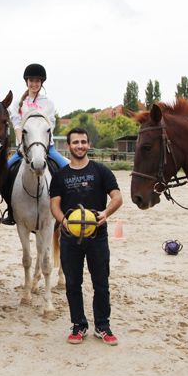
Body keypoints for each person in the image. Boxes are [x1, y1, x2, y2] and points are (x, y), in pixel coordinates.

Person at [50, 128, 122, 346]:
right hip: (70, 238)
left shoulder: (101, 171)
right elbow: (54, 205)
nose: (79, 146)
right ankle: (78, 325)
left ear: (88, 144)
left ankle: (102, 325)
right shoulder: (60, 176)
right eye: (75, 142)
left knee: (101, 282)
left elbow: (117, 197)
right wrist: (64, 222)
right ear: (68, 146)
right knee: (73, 283)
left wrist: (106, 213)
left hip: (97, 236)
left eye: (83, 142)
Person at [2, 63, 69, 225]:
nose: (34, 83)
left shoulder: (48, 103)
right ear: (27, 81)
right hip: (25, 148)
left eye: (38, 80)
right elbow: (17, 125)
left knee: (67, 169)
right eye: (31, 80)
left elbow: (49, 126)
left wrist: (42, 145)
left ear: (42, 82)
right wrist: (20, 145)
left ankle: (65, 208)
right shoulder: (18, 102)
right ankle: (11, 211)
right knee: (2, 175)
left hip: (47, 147)